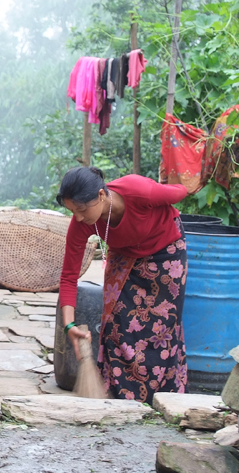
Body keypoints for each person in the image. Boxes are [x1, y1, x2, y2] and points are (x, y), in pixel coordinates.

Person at [57, 166, 190, 402]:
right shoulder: (83, 222)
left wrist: (188, 174)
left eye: (81, 210)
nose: (78, 218)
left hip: (166, 253)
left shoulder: (139, 191)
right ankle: (122, 396)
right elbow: (69, 275)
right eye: (72, 211)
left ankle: (163, 397)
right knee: (117, 325)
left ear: (100, 195)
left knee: (162, 329)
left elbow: (180, 191)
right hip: (124, 257)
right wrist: (69, 325)